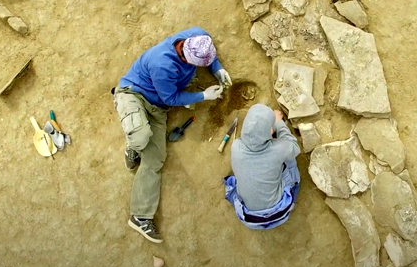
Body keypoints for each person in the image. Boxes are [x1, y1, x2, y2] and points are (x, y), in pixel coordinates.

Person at [112, 27, 232, 243]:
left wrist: (218, 68)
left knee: (155, 159)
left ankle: (140, 216)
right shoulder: (163, 65)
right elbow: (171, 98)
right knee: (141, 136)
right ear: (186, 57)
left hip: (157, 109)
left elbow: (208, 42)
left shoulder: (197, 35)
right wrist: (202, 96)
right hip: (134, 94)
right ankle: (133, 144)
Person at [224, 104, 301, 229]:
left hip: (249, 217)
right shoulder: (278, 149)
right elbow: (294, 147)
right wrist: (279, 123)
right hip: (280, 211)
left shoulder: (236, 146)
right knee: (290, 162)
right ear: (270, 131)